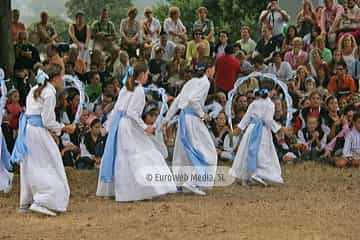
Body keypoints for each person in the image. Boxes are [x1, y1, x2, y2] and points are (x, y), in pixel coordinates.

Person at [96, 61, 177, 202]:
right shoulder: (138, 90)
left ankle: (126, 189)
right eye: (146, 74)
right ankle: (139, 190)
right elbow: (132, 113)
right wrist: (146, 127)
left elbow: (116, 110)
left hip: (120, 125)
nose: (147, 77)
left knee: (125, 156)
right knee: (140, 152)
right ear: (142, 75)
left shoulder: (125, 88)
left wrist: (107, 126)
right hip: (129, 126)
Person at [11, 63, 76, 216]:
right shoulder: (50, 94)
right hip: (39, 133)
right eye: (61, 76)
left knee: (30, 165)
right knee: (49, 164)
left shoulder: (34, 89)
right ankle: (44, 200)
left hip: (28, 131)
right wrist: (65, 128)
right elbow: (47, 121)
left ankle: (26, 201)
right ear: (56, 78)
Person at [163, 56, 217, 195]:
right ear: (209, 69)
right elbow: (193, 100)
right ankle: (192, 181)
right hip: (192, 119)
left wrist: (167, 118)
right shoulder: (205, 82)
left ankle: (180, 182)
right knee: (206, 149)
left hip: (183, 118)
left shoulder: (191, 81)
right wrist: (202, 114)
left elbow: (178, 101)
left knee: (183, 152)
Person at [229, 88, 284, 186]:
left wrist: (240, 128)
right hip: (263, 131)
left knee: (247, 151)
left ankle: (245, 176)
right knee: (262, 152)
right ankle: (258, 173)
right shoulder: (270, 104)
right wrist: (278, 128)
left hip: (251, 129)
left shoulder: (254, 103)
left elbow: (247, 117)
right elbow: (268, 121)